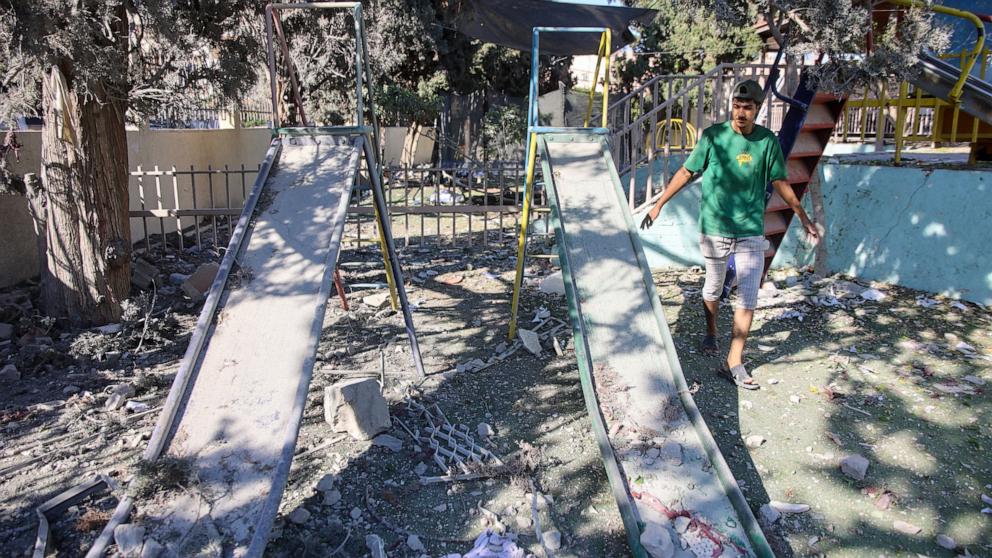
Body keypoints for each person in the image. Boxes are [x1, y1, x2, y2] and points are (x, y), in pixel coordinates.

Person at [639, 79, 819, 389]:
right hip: (715, 228)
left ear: (758, 110)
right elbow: (686, 172)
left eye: (747, 108)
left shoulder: (767, 143)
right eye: (736, 106)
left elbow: (779, 182)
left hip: (749, 230)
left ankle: (734, 361)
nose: (740, 113)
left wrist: (802, 215)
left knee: (748, 295)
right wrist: (659, 204)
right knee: (713, 286)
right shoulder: (713, 137)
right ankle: (711, 330)